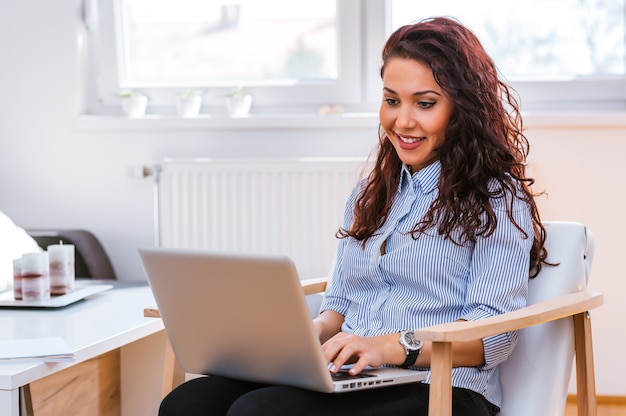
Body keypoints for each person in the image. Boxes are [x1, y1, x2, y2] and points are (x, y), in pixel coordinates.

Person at [159, 16, 547, 416]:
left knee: (260, 411)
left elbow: (492, 338)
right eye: (392, 100)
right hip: (357, 373)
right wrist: (302, 339)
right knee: (189, 403)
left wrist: (386, 346)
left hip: (445, 390)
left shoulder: (496, 197)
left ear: (463, 109)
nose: (403, 121)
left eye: (425, 103)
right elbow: (340, 304)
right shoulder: (371, 193)